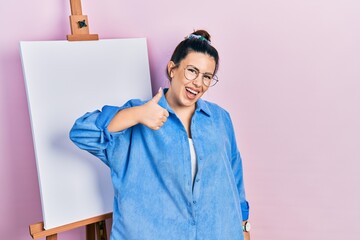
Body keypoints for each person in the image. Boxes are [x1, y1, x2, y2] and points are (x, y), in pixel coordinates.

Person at [70, 30, 250, 240]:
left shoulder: (219, 119)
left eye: (207, 77)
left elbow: (235, 177)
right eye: (192, 71)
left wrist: (244, 229)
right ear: (172, 69)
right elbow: (82, 132)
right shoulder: (139, 115)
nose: (198, 83)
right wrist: (136, 114)